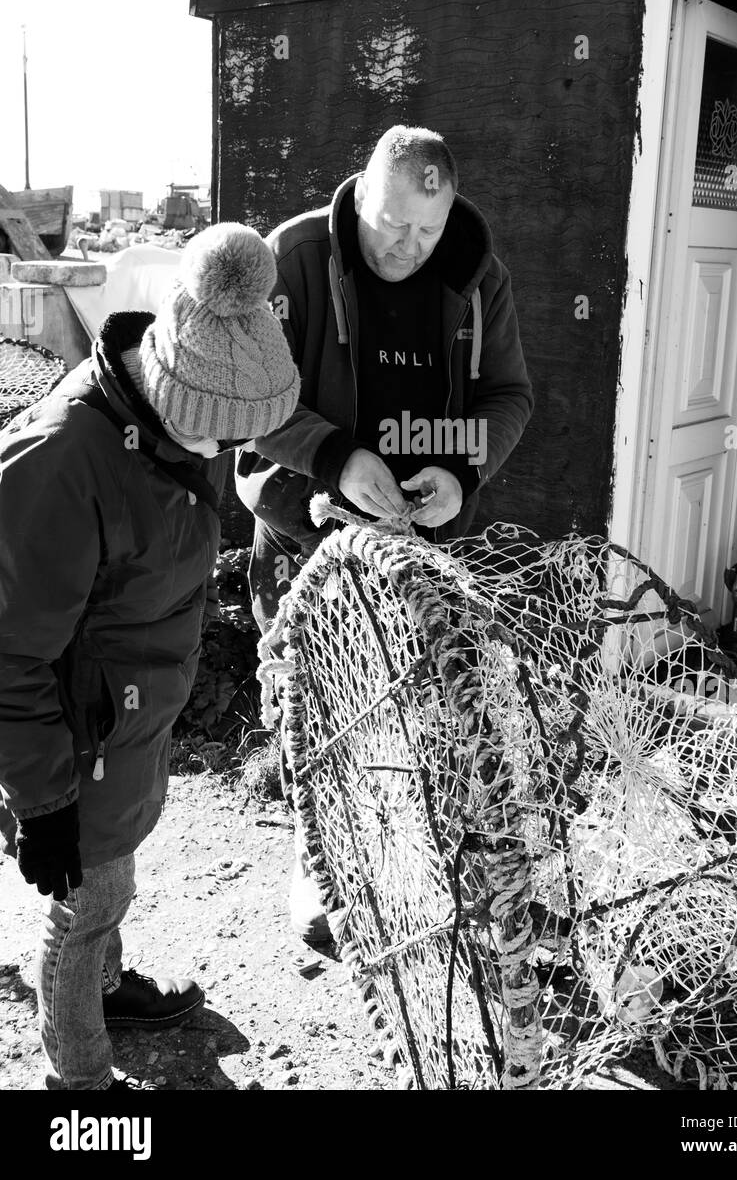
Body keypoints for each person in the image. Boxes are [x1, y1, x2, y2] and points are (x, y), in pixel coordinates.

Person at [0, 224, 299, 1091]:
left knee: (115, 880)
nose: (224, 461)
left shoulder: (177, 415)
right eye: (220, 442)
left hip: (125, 718)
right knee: (85, 905)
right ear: (176, 401)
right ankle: (79, 1085)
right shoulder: (58, 465)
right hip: (72, 741)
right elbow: (8, 657)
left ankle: (107, 989)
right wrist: (45, 801)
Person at [235, 125, 533, 940]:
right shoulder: (288, 261)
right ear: (359, 195)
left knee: (408, 701)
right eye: (392, 225)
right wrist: (332, 454)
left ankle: (396, 856)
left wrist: (463, 471)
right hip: (306, 526)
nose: (408, 247)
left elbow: (509, 397)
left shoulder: (477, 274)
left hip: (416, 540)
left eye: (427, 231)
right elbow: (241, 396)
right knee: (310, 705)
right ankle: (317, 866)